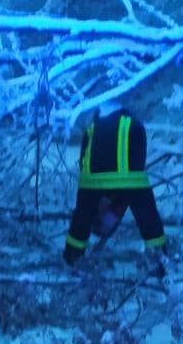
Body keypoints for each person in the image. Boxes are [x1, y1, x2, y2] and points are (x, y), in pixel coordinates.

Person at [63, 105, 166, 271]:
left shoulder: (94, 127)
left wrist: (90, 188)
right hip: (131, 179)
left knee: (81, 219)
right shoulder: (135, 125)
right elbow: (140, 158)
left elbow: (83, 159)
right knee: (148, 218)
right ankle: (160, 260)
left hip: (93, 180)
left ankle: (72, 257)